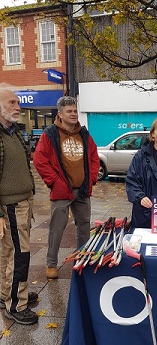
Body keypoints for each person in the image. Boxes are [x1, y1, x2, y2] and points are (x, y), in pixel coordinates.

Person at [33, 96, 100, 280]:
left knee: (84, 227)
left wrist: (92, 178)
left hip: (83, 190)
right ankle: (51, 264)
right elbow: (40, 160)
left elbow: (94, 158)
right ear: (60, 114)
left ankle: (82, 258)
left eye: (75, 111)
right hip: (62, 190)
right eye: (69, 111)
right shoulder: (50, 134)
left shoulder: (84, 134)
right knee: (57, 228)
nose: (73, 114)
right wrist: (55, 182)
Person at [0, 83, 38, 325]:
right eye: (11, 102)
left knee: (7, 252)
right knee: (20, 254)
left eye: (17, 101)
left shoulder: (13, 132)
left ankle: (7, 293)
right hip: (11, 207)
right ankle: (16, 304)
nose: (18, 105)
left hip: (23, 203)